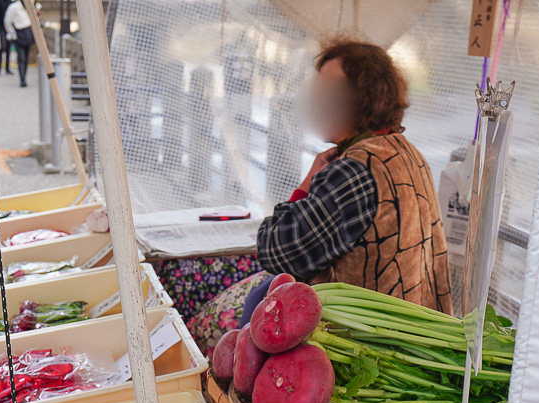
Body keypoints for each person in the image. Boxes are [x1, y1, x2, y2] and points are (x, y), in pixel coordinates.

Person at [186, 35, 452, 356]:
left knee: (214, 318)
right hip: (417, 335)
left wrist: (306, 183)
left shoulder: (353, 171)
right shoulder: (409, 153)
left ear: (364, 98)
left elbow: (276, 250)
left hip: (357, 347)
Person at [4, 0, 35, 87]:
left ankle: (24, 76)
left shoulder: (30, 5)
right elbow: (7, 21)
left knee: (26, 58)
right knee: (21, 58)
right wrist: (12, 33)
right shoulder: (14, 7)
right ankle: (22, 79)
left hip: (28, 33)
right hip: (19, 33)